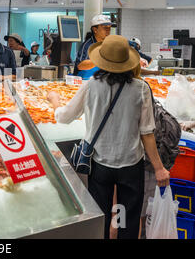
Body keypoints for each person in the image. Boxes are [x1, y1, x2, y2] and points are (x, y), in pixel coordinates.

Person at [46, 35, 170, 239]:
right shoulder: (141, 88)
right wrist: (159, 168)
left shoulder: (91, 85)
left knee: (101, 218)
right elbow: (147, 132)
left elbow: (65, 117)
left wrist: (55, 101)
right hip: (131, 165)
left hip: (99, 165)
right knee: (128, 220)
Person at [73, 14, 112, 79]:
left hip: (99, 81)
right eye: (105, 28)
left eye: (109, 28)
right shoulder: (88, 45)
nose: (108, 30)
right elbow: (80, 65)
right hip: (84, 81)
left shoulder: (108, 44)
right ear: (95, 30)